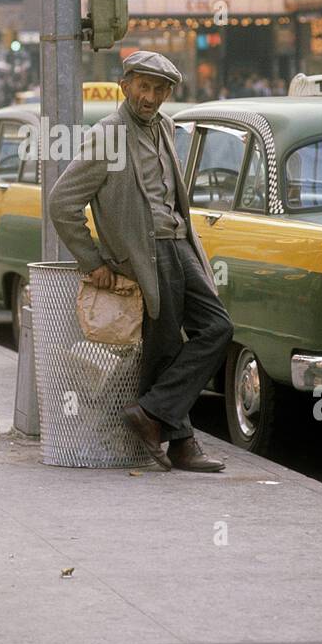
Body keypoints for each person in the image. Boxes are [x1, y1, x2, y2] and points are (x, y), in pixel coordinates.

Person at [48, 50, 232, 474]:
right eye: (143, 87)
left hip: (180, 243)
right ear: (125, 85)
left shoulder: (165, 127)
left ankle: (151, 413)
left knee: (218, 327)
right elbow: (62, 202)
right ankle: (182, 444)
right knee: (164, 346)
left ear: (168, 93)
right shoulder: (108, 136)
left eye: (159, 90)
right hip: (146, 253)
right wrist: (92, 260)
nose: (150, 97)